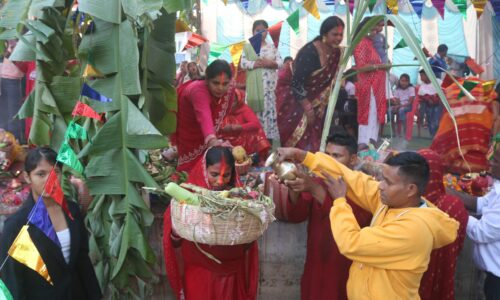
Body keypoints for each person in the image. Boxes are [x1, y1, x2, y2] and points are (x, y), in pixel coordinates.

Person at [274, 147, 459, 299]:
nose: (380, 186)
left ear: (410, 189)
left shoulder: (414, 229)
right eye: (382, 179)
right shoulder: (393, 201)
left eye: (388, 182)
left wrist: (339, 202)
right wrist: (303, 156)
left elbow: (351, 243)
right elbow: (352, 178)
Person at [0, 147, 101, 299]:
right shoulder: (16, 226)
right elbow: (13, 280)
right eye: (41, 174)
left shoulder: (72, 210)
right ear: (28, 177)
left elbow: (82, 259)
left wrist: (96, 295)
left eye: (56, 172)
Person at [281, 133, 371, 300]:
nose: (329, 162)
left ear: (352, 160)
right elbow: (297, 215)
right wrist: (294, 185)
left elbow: (356, 221)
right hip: (315, 265)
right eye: (327, 156)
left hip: (343, 267)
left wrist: (314, 189)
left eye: (336, 156)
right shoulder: (319, 181)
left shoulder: (362, 189)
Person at [163, 147, 259, 300]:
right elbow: (174, 236)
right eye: (214, 174)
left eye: (226, 175)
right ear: (203, 169)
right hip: (200, 273)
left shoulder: (238, 196)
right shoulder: (188, 194)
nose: (220, 181)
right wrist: (178, 227)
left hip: (232, 272)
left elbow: (248, 242)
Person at [275, 16, 344, 151]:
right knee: (295, 133)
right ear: (324, 34)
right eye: (334, 34)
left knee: (315, 135)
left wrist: (320, 105)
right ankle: (291, 164)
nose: (338, 38)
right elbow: (296, 83)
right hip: (293, 95)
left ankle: (310, 164)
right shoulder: (309, 52)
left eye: (341, 34)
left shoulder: (337, 52)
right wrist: (307, 107)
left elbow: (330, 81)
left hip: (317, 101)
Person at [417, 149, 468, 300]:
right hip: (444, 275)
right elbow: (458, 245)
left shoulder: (405, 203)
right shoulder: (453, 205)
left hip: (407, 281)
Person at [450, 145, 500, 300]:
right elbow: (481, 204)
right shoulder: (498, 188)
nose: (490, 163)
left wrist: (452, 208)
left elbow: (481, 232)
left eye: (496, 161)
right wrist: (448, 193)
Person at [173, 60, 233, 172]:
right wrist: (212, 139)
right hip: (189, 126)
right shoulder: (198, 90)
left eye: (225, 84)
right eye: (215, 83)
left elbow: (224, 112)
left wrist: (215, 136)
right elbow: (203, 114)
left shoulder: (230, 88)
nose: (220, 88)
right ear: (207, 80)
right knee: (190, 170)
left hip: (208, 127)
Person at [241, 20, 283, 144]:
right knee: (255, 116)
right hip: (255, 91)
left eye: (263, 30)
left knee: (269, 117)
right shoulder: (248, 47)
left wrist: (272, 63)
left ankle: (268, 145)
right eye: (257, 30)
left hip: (270, 90)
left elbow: (280, 63)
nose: (261, 33)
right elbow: (243, 63)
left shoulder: (272, 47)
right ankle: (255, 145)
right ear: (253, 32)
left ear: (267, 31)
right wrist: (255, 63)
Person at [353, 17, 388, 146]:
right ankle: (364, 148)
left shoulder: (371, 43)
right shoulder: (361, 42)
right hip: (369, 87)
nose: (376, 31)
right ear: (365, 28)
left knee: (375, 119)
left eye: (378, 28)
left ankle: (371, 148)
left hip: (377, 88)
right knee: (369, 118)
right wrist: (379, 67)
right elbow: (361, 66)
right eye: (373, 28)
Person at [219, 88, 271, 161]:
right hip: (226, 140)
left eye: (233, 101)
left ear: (238, 100)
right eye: (227, 101)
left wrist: (236, 127)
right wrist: (222, 129)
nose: (230, 104)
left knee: (257, 132)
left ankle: (254, 158)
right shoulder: (220, 110)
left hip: (243, 141)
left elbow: (256, 124)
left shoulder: (243, 109)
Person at [0, 40, 26, 143]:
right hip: (4, 76)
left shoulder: (23, 35)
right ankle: (5, 140)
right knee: (5, 112)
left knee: (14, 113)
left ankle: (15, 141)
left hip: (16, 78)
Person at [391, 73, 415, 140]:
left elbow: (410, 102)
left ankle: (405, 130)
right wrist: (396, 106)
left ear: (408, 82)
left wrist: (399, 106)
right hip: (400, 106)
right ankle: (394, 132)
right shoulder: (397, 89)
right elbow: (397, 101)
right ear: (399, 81)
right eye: (402, 81)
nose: (404, 83)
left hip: (408, 107)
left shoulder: (411, 88)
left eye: (406, 81)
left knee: (401, 110)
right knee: (390, 110)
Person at [418, 69, 442, 137]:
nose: (421, 77)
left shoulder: (438, 81)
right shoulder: (422, 86)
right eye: (420, 75)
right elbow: (421, 97)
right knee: (430, 123)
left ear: (428, 74)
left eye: (422, 75)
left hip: (438, 105)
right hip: (428, 106)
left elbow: (444, 90)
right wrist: (428, 98)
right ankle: (433, 137)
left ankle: (436, 137)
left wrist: (435, 97)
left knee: (436, 123)